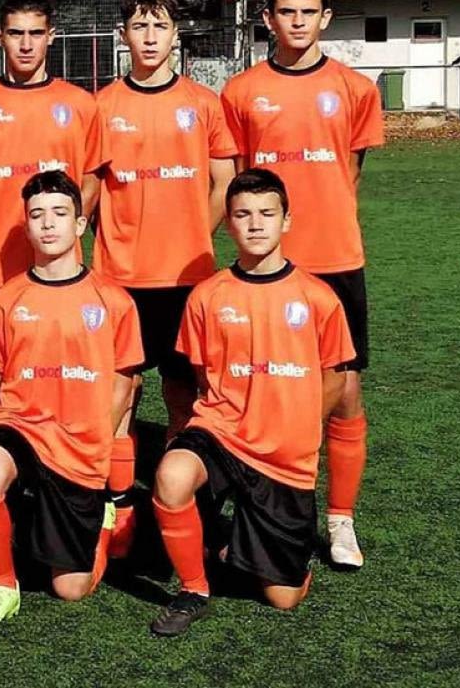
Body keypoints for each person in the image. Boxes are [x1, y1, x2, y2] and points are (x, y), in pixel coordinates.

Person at [221, 0, 384, 570]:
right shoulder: (240, 92)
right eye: (287, 12)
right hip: (267, 264)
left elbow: (350, 173)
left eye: (308, 12)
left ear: (326, 17)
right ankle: (259, 498)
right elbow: (242, 180)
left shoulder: (356, 89)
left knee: (344, 391)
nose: (297, 22)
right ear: (269, 18)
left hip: (336, 257)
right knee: (259, 381)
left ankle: (340, 520)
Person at [150, 168, 356, 637]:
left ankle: (249, 545)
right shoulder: (207, 296)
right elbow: (201, 376)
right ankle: (194, 588)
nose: (256, 224)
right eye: (243, 214)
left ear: (287, 221)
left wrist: (302, 425)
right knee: (172, 474)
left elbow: (335, 377)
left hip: (285, 453)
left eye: (267, 213)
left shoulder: (318, 298)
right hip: (221, 433)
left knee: (284, 598)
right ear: (228, 223)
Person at [92, 0, 239, 557]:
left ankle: (183, 505)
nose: (149, 37)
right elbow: (90, 187)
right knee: (120, 396)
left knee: (184, 396)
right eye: (139, 27)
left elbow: (224, 182)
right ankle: (119, 508)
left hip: (186, 279)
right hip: (120, 278)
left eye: (159, 27)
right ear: (124, 35)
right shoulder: (103, 106)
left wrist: (196, 233)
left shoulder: (203, 103)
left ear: (176, 35)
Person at [0, 171, 141, 634]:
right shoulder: (3, 302)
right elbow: (0, 384)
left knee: (71, 588)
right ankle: (2, 586)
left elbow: (124, 382)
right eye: (37, 214)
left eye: (60, 213)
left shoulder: (113, 301)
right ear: (26, 226)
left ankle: (101, 518)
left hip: (80, 444)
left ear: (80, 224)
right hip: (22, 428)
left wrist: (98, 441)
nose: (48, 223)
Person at [0, 0, 105, 417]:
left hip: (60, 273)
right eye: (15, 33)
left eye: (35, 33)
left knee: (61, 377)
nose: (25, 44)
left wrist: (64, 236)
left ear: (51, 36)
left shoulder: (80, 104)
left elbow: (90, 177)